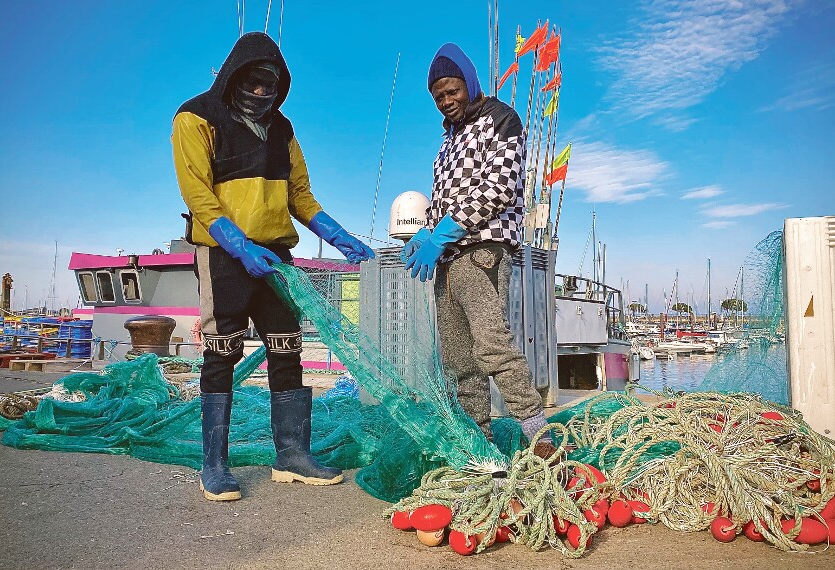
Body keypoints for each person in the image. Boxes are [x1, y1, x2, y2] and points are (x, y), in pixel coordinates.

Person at [172, 32, 375, 501]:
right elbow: (197, 192)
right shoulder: (195, 116)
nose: (262, 92)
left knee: (287, 348)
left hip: (277, 256)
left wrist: (342, 238)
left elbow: (300, 196)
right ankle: (215, 466)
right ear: (233, 76)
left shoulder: (283, 129)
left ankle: (292, 456)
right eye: (254, 82)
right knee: (221, 351)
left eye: (272, 85)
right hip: (224, 254)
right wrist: (239, 245)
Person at [403, 43, 554, 457]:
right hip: (447, 259)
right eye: (438, 97)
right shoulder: (447, 141)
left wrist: (444, 231)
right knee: (457, 359)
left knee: (492, 345)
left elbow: (500, 187)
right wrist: (426, 233)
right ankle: (478, 441)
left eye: (452, 91)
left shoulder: (501, 119)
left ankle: (538, 434)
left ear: (469, 83)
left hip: (483, 253)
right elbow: (441, 200)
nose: (447, 101)